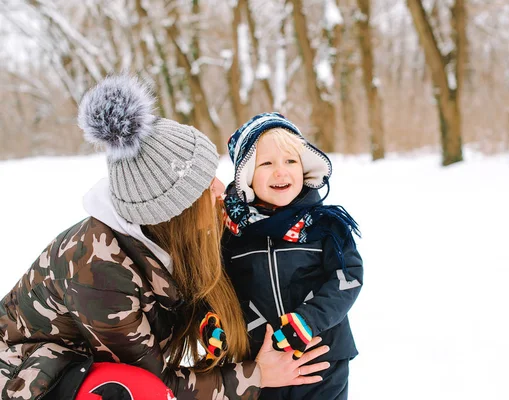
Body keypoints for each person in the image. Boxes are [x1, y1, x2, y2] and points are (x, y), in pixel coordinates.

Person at [0, 76, 329, 400]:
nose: (220, 188)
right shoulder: (98, 269)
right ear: (178, 211)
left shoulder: (166, 237)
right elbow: (157, 382)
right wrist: (257, 376)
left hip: (76, 369)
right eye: (204, 184)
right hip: (28, 378)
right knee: (135, 390)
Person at [221, 112, 363, 399]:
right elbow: (221, 289)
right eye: (267, 164)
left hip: (323, 357)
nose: (281, 172)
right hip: (261, 361)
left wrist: (308, 320)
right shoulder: (233, 235)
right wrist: (216, 326)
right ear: (247, 175)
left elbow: (347, 280)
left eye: (290, 161)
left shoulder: (325, 225)